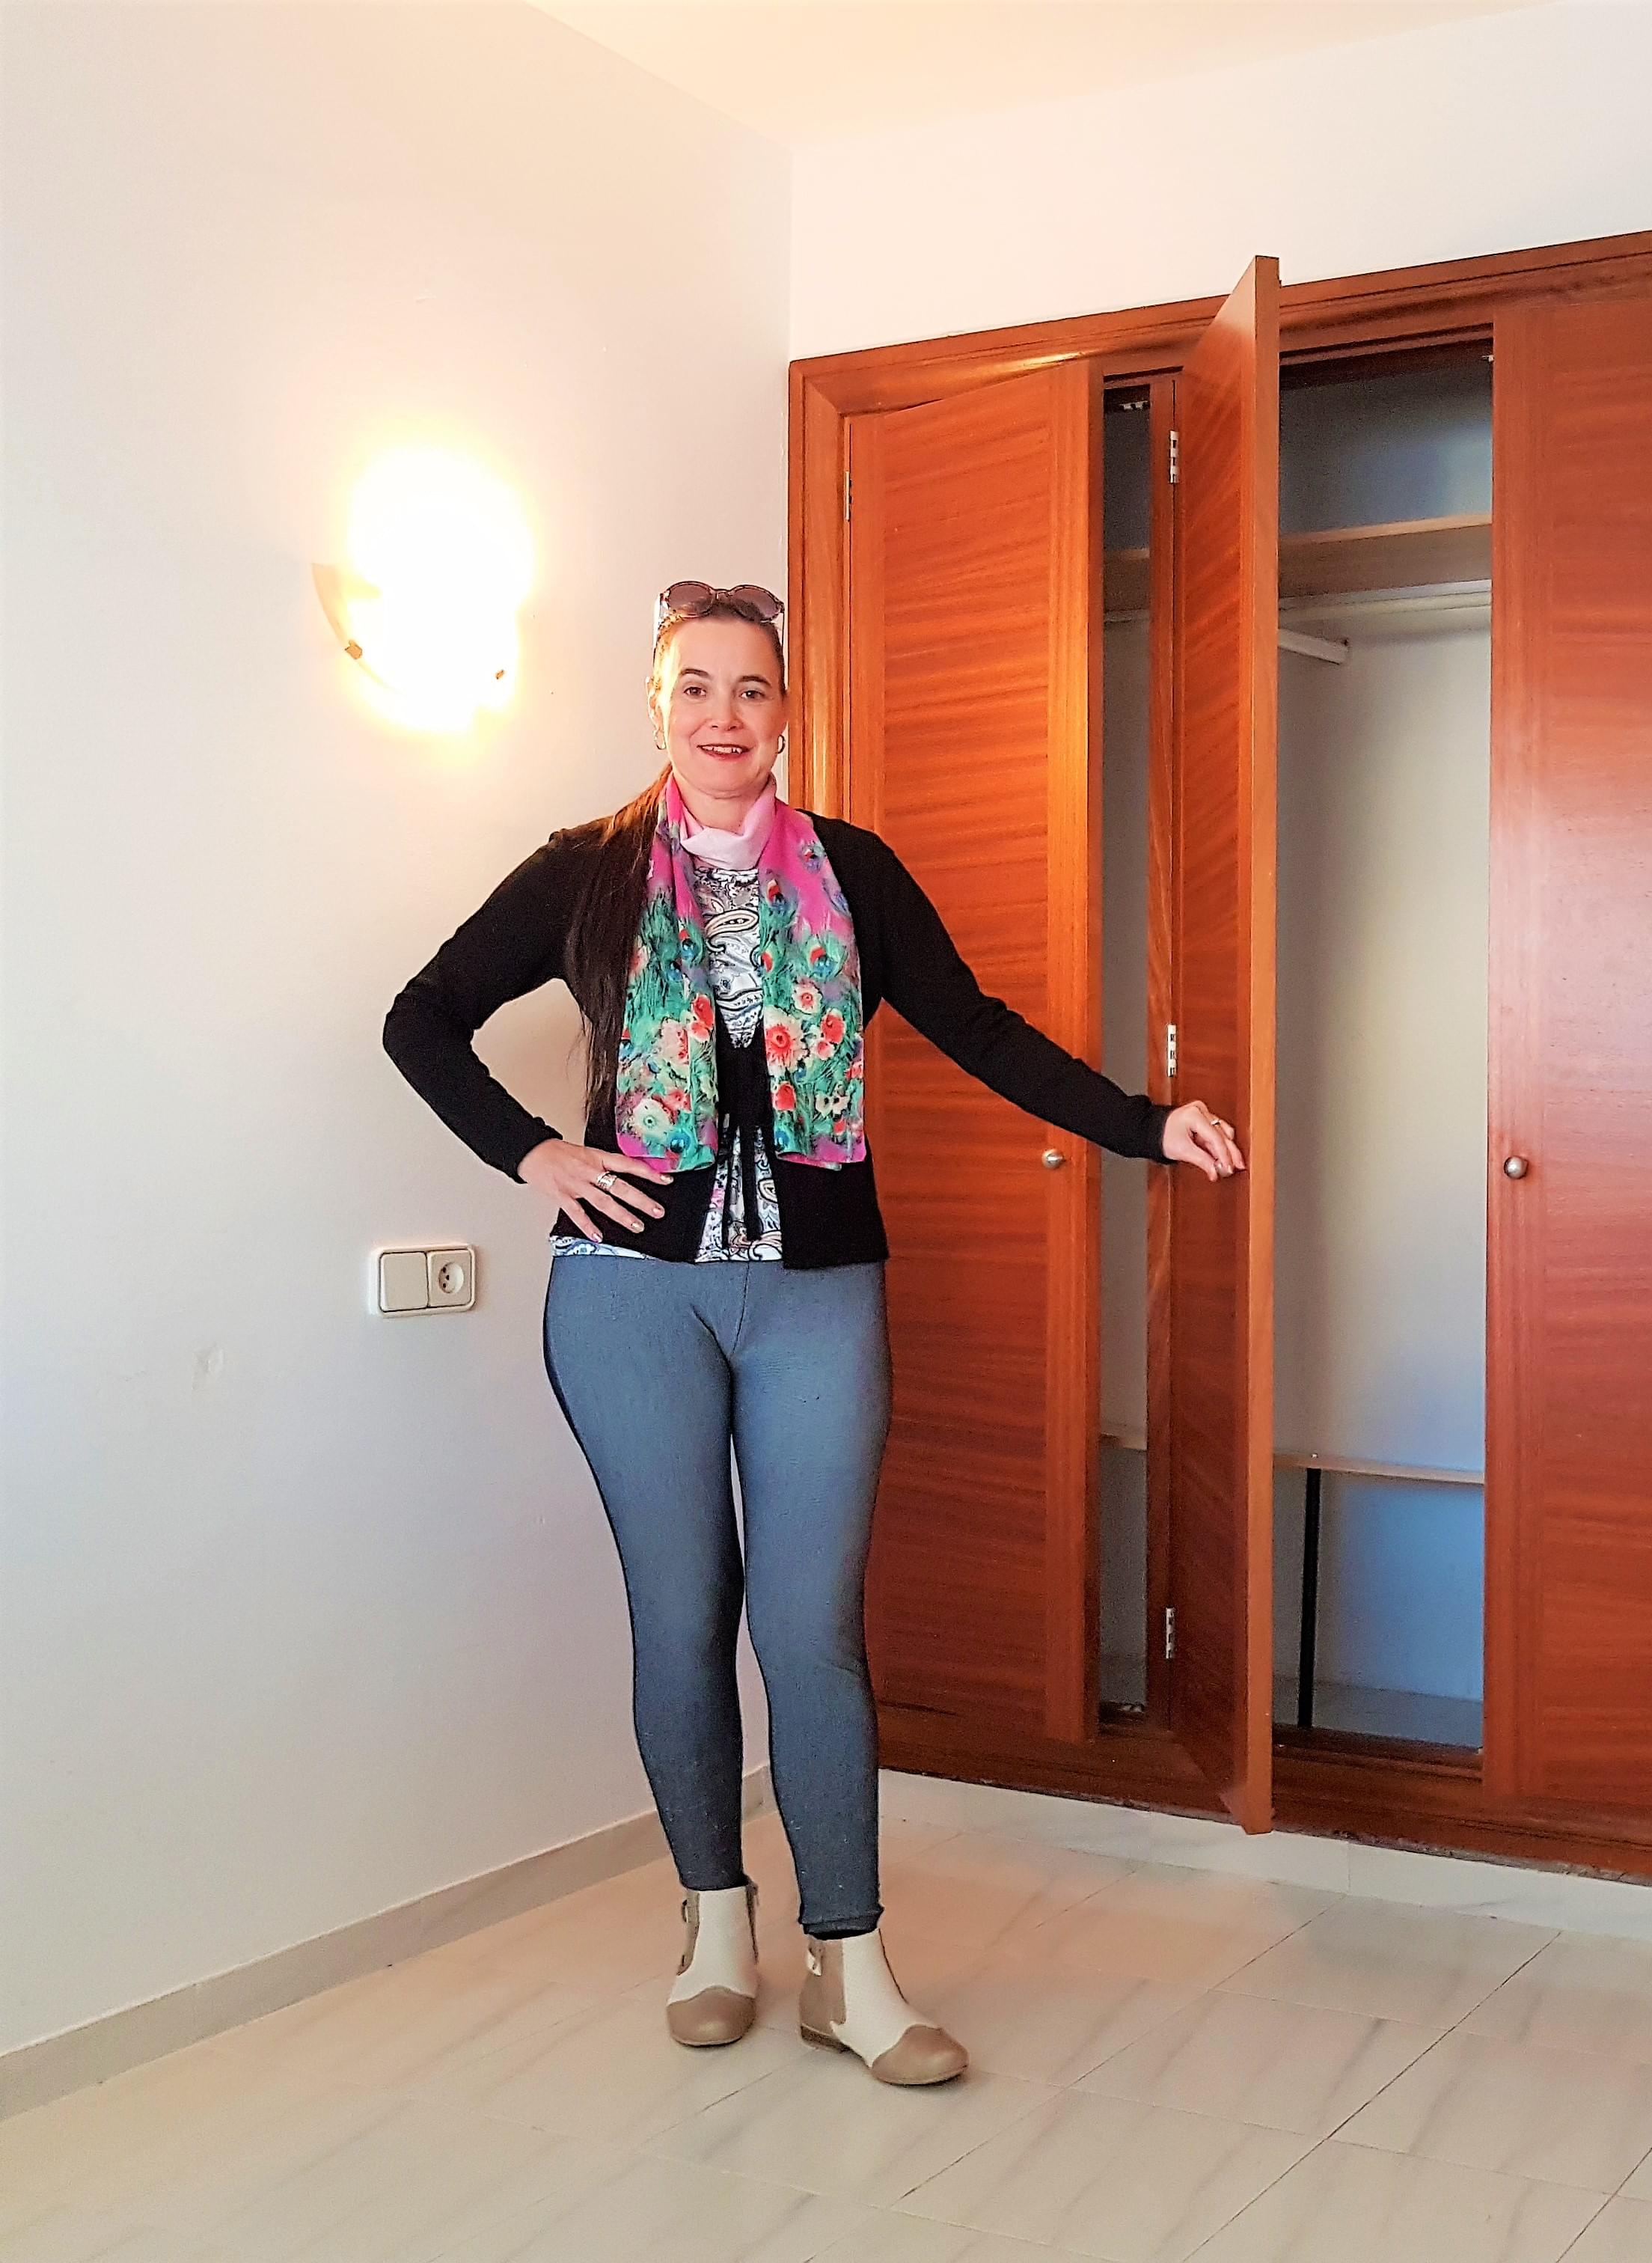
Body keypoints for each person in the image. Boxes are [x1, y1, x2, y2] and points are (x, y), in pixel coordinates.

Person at [384, 581, 1243, 2086]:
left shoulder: (855, 872)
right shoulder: (585, 873)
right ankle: (715, 1926)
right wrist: (537, 1154)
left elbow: (977, 1026)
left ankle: (850, 1962)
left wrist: (1141, 1122)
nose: (725, 715)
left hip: (818, 1293)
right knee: (680, 1614)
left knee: (811, 1628)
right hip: (630, 1297)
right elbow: (422, 1016)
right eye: (697, 686)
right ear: (659, 707)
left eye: (754, 689)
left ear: (788, 713)